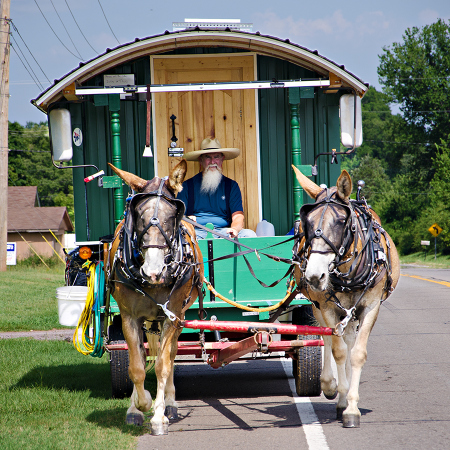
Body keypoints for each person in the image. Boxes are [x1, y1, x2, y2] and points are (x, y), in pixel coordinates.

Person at [177, 138, 257, 239]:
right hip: (196, 232)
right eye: (207, 157)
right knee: (178, 237)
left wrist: (235, 229)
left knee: (249, 235)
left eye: (216, 157)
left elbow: (238, 216)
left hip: (224, 232)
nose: (212, 161)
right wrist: (186, 219)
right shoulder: (187, 186)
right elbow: (178, 216)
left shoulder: (231, 186)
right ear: (200, 160)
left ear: (222, 159)